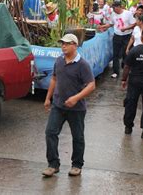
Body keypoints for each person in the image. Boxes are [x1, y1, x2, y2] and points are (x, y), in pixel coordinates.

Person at [42, 33, 95, 177]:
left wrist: (76, 98)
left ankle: (77, 165)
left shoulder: (82, 65)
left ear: (75, 45)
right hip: (58, 105)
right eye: (62, 43)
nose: (63, 46)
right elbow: (54, 79)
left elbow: (91, 85)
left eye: (66, 43)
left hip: (76, 109)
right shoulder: (59, 61)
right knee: (50, 133)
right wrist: (48, 98)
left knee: (77, 137)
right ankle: (53, 164)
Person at [99, 1, 136, 78]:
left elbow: (133, 24)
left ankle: (125, 68)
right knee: (115, 54)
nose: (114, 9)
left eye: (115, 8)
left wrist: (126, 28)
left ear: (119, 6)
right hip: (117, 35)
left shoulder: (128, 13)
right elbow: (112, 23)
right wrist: (104, 26)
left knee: (125, 53)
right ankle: (116, 72)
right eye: (113, 8)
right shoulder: (113, 14)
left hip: (126, 35)